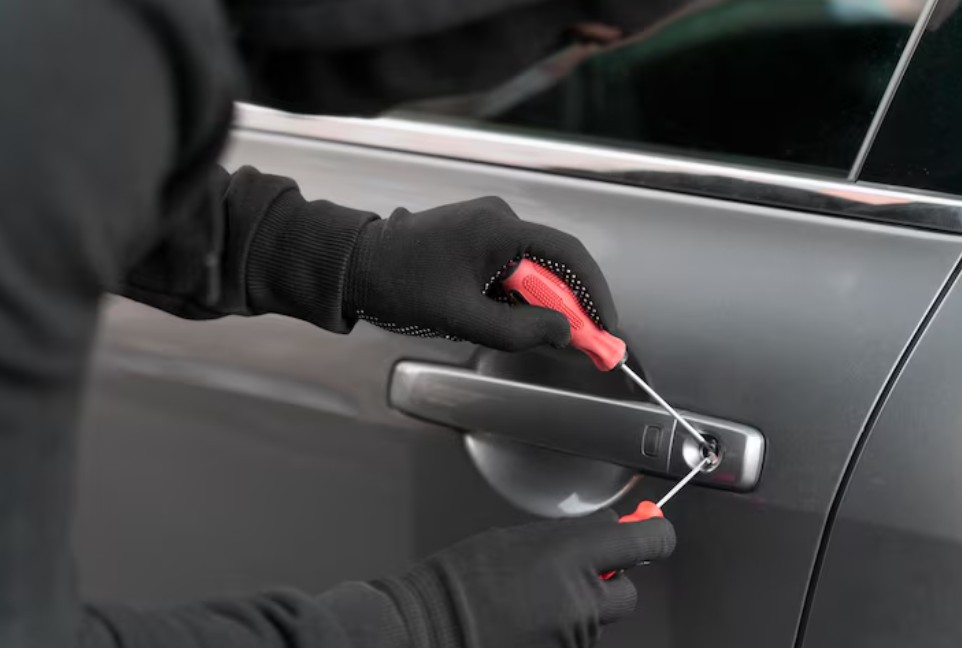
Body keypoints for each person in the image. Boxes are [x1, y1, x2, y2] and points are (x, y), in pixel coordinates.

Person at [1, 1, 677, 647]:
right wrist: (426, 627)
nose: (534, 68)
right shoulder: (85, 54)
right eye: (578, 37)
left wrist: (338, 258)